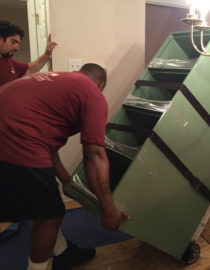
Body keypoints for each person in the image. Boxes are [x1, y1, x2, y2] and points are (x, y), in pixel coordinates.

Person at [0, 63, 129, 270]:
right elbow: (94, 156)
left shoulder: (57, 79)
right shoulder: (92, 94)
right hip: (16, 143)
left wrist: (67, 182)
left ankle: (63, 254)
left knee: (46, 205)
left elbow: (49, 147)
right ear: (101, 84)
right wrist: (108, 209)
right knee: (50, 216)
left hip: (12, 138)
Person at [0, 20, 57, 86]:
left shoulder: (8, 62)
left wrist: (47, 54)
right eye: (13, 42)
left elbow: (29, 69)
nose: (17, 48)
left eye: (18, 44)